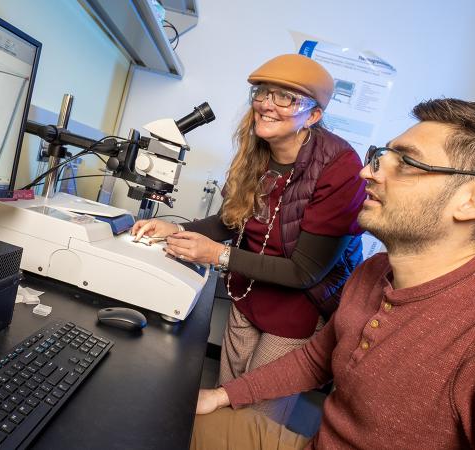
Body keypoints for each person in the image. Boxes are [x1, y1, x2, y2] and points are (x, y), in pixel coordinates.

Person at [191, 98, 475, 450]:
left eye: (407, 162)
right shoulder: (374, 271)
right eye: (381, 156)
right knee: (175, 418)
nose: (367, 172)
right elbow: (317, 358)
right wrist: (222, 395)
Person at [131, 54, 366, 422]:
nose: (267, 105)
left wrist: (218, 257)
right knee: (222, 402)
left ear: (314, 115)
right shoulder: (255, 149)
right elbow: (231, 221)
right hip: (247, 292)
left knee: (254, 418)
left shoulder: (341, 167)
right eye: (263, 93)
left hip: (299, 307)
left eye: (285, 97)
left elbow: (306, 271)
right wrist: (179, 230)